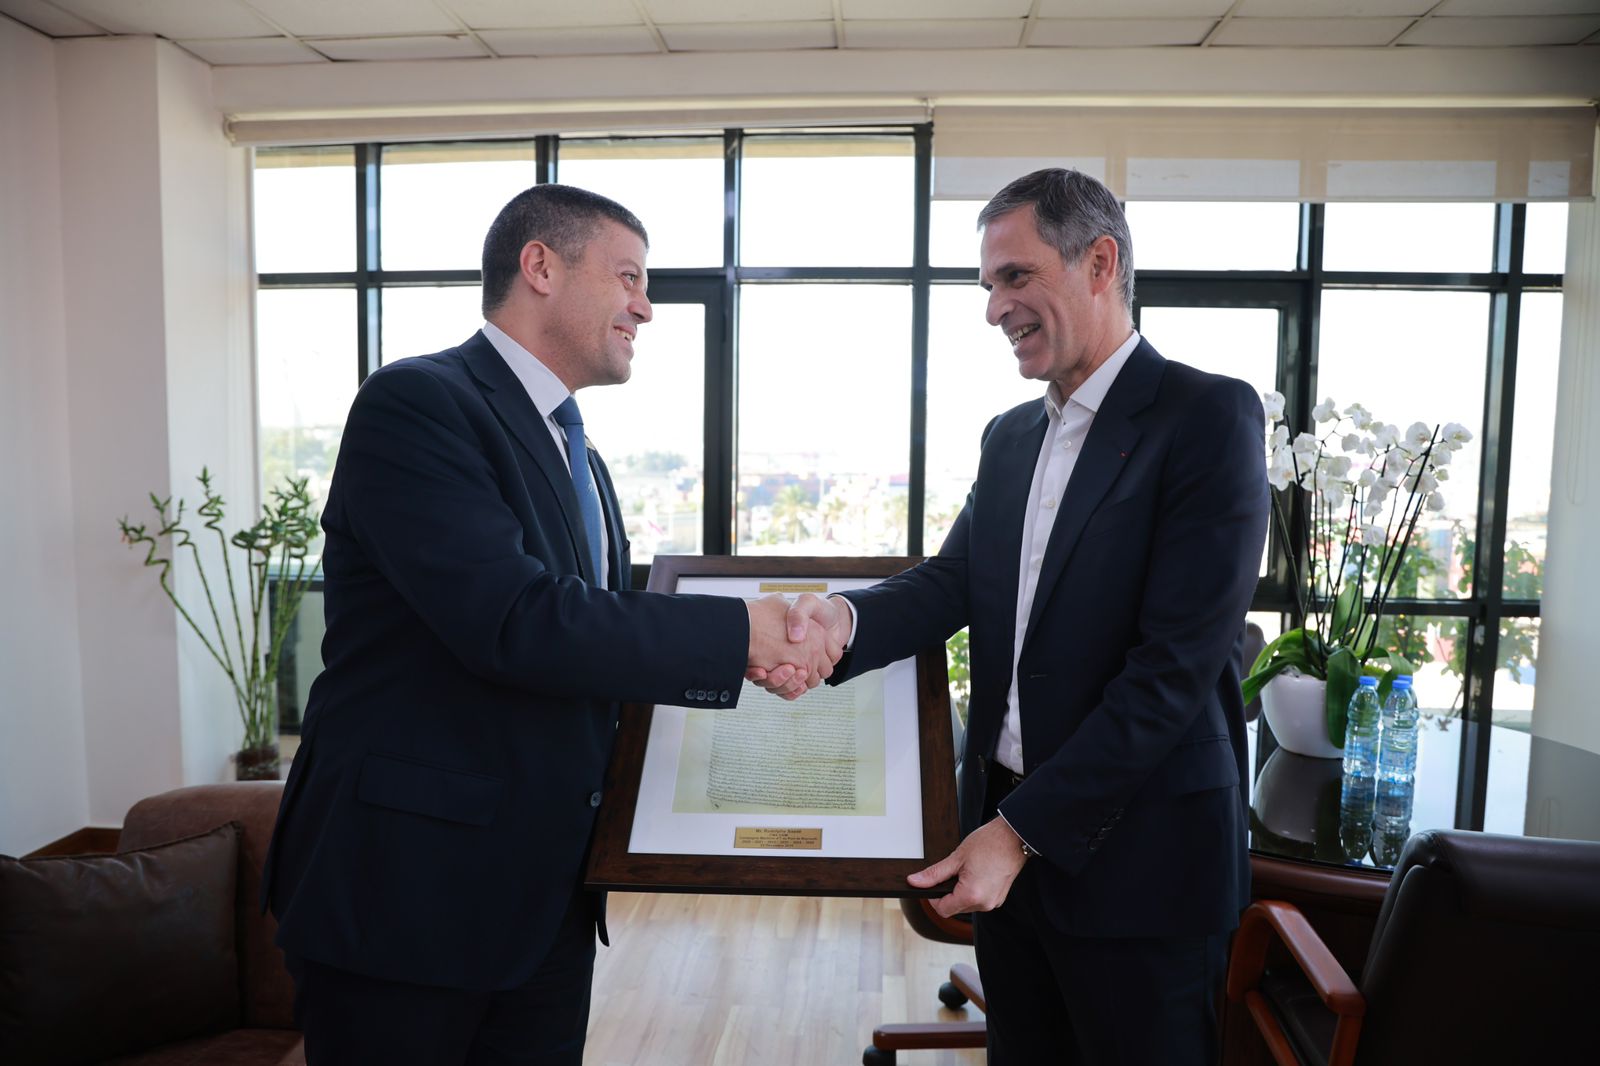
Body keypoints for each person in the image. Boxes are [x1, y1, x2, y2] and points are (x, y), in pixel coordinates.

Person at [262, 184, 834, 1066]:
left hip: (547, 903)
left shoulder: (580, 453)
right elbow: (515, 620)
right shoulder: (417, 404)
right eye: (628, 276)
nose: (646, 307)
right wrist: (742, 638)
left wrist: (752, 671)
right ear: (540, 267)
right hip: (409, 898)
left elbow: (593, 643)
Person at [762, 168, 1269, 1064]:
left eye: (1016, 276)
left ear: (1100, 263)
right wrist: (839, 622)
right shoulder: (1010, 436)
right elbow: (953, 582)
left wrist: (1021, 831)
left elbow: (1173, 672)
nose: (995, 308)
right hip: (1004, 849)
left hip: (1141, 868)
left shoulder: (1206, 416)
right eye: (988, 284)